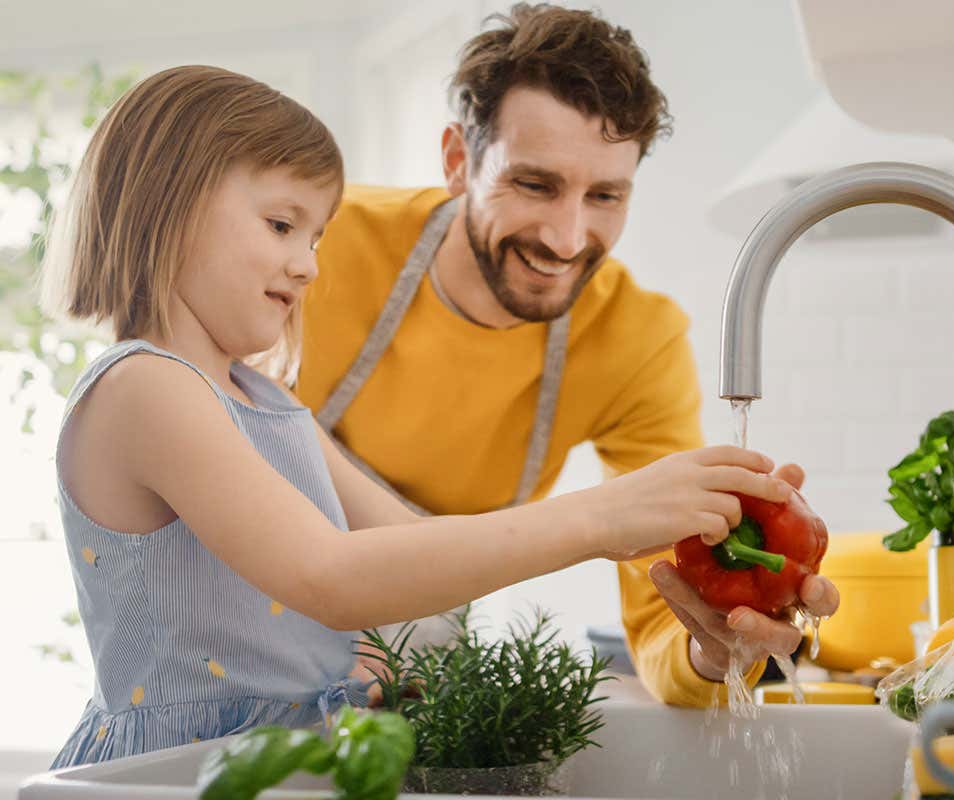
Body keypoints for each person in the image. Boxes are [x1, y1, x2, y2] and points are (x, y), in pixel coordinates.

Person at [40, 64, 798, 768]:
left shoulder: (266, 403)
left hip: (287, 766)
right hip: (167, 775)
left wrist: (700, 544)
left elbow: (413, 557)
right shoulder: (148, 388)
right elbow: (328, 575)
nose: (308, 263)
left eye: (316, 236)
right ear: (168, 206)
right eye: (281, 226)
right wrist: (600, 519)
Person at [295, 2, 839, 707]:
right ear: (460, 160)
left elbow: (658, 621)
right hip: (232, 647)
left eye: (605, 195)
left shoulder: (635, 340)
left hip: (402, 687)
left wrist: (713, 649)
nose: (566, 237)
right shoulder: (321, 244)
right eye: (535, 184)